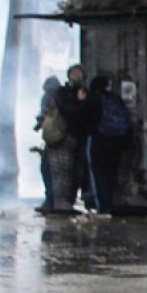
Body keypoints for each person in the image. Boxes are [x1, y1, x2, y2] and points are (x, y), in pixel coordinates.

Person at [46, 65, 92, 214]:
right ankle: (61, 203)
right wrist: (79, 102)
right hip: (63, 138)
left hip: (78, 138)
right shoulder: (63, 93)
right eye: (74, 74)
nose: (77, 77)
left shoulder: (84, 93)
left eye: (79, 74)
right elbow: (70, 112)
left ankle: (67, 202)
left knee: (77, 172)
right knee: (61, 172)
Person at [87, 74, 133, 213]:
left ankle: (102, 206)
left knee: (98, 174)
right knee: (110, 174)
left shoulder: (93, 99)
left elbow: (89, 119)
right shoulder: (115, 99)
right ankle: (110, 203)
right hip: (117, 141)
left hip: (100, 140)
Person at [33, 75, 63, 212]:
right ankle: (57, 201)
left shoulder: (48, 97)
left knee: (47, 169)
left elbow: (46, 116)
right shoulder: (63, 96)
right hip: (60, 138)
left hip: (54, 139)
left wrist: (39, 122)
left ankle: (50, 201)